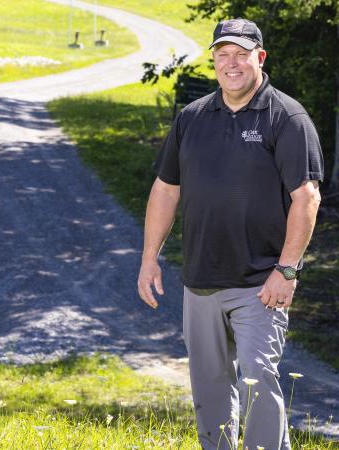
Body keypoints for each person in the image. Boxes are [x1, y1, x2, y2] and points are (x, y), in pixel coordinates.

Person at [137, 17, 324, 450]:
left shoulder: (287, 118)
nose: (231, 64)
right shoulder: (193, 117)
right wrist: (150, 258)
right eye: (223, 55)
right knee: (210, 390)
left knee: (259, 381)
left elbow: (307, 198)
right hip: (200, 279)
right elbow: (166, 189)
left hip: (261, 282)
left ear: (260, 58)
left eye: (241, 54)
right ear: (215, 60)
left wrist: (288, 270)